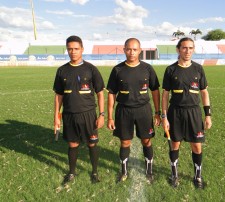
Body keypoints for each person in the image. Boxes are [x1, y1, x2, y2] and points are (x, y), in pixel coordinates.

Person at [106, 38, 161, 183]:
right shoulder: (117, 69)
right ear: (124, 50)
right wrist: (110, 117)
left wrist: (157, 112)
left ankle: (149, 171)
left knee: (146, 141)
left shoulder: (147, 69)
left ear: (140, 50)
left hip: (144, 110)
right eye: (129, 49)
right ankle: (124, 172)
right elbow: (111, 93)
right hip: (124, 111)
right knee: (125, 142)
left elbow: (155, 90)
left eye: (135, 49)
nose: (131, 52)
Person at [53, 35, 105, 185]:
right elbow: (58, 95)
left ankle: (94, 172)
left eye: (76, 48)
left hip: (88, 114)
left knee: (92, 144)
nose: (73, 51)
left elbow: (100, 93)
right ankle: (71, 172)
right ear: (67, 50)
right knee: (73, 144)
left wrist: (102, 115)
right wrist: (56, 116)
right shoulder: (62, 70)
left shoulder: (91, 69)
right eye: (70, 49)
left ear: (82, 49)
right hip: (69, 114)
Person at [161, 37, 212, 189]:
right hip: (175, 113)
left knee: (197, 146)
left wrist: (208, 115)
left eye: (190, 48)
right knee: (174, 145)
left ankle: (197, 176)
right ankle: (174, 175)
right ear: (178, 49)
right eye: (184, 48)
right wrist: (164, 116)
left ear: (193, 49)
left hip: (194, 113)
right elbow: (165, 95)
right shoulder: (171, 70)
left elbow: (204, 92)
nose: (187, 51)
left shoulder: (198, 69)